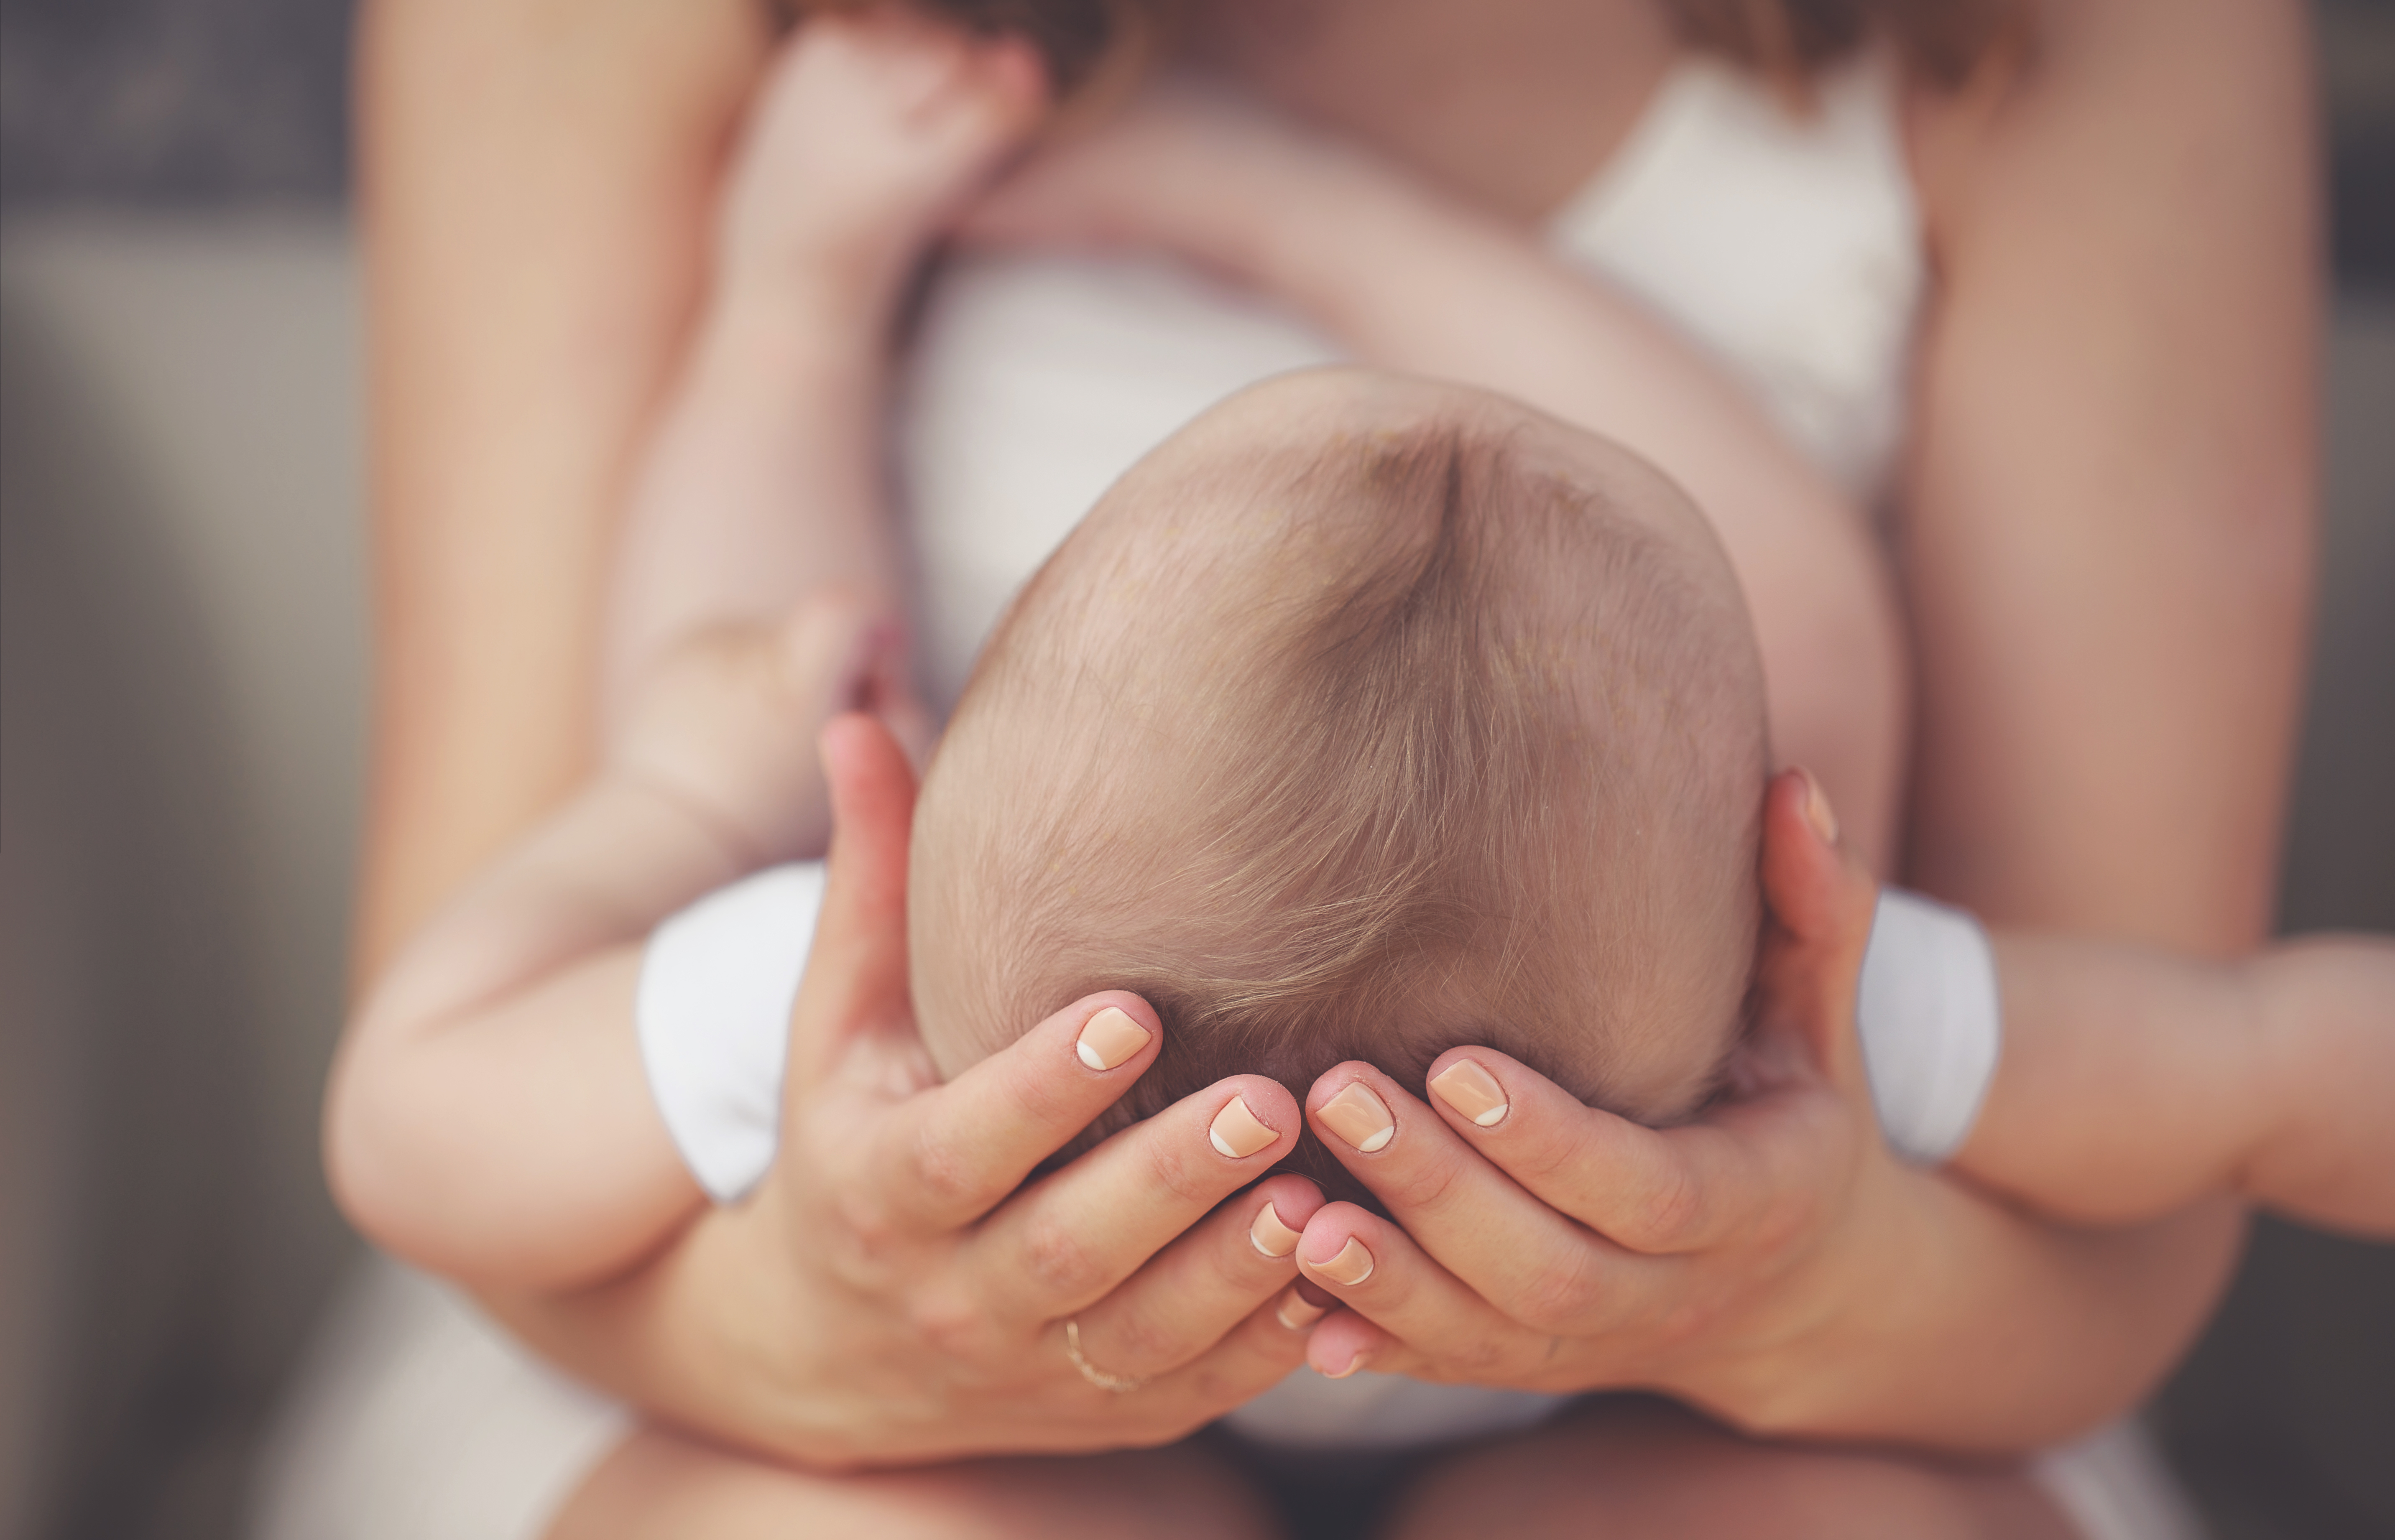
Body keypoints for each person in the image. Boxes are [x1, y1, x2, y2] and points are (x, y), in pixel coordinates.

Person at [299, 0, 2317, 1533]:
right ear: (1767, 873)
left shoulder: (856, 975)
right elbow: (2234, 1065)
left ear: (919, 791)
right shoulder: (1811, 1010)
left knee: (753, 680)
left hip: (1793, 1395)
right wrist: (813, 1316)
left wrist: (679, 787)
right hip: (739, 1361)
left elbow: (415, 1117)